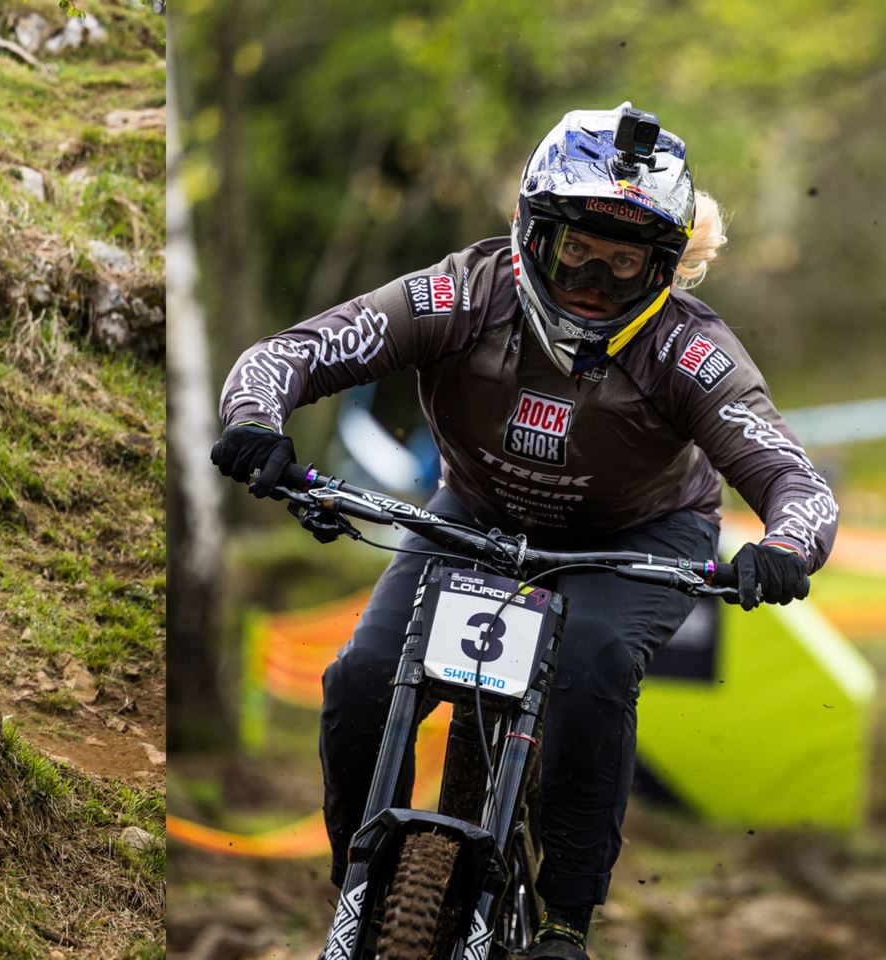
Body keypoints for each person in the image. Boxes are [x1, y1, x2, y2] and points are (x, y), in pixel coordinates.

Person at [210, 103, 837, 959]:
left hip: (637, 541)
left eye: (625, 266)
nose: (593, 285)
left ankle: (567, 923)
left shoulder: (693, 354)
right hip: (473, 514)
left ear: (665, 270)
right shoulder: (461, 294)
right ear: (528, 232)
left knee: (593, 666)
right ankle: (358, 884)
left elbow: (797, 481)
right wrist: (257, 422)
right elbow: (289, 354)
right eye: (573, 250)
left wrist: (785, 548)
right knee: (359, 676)